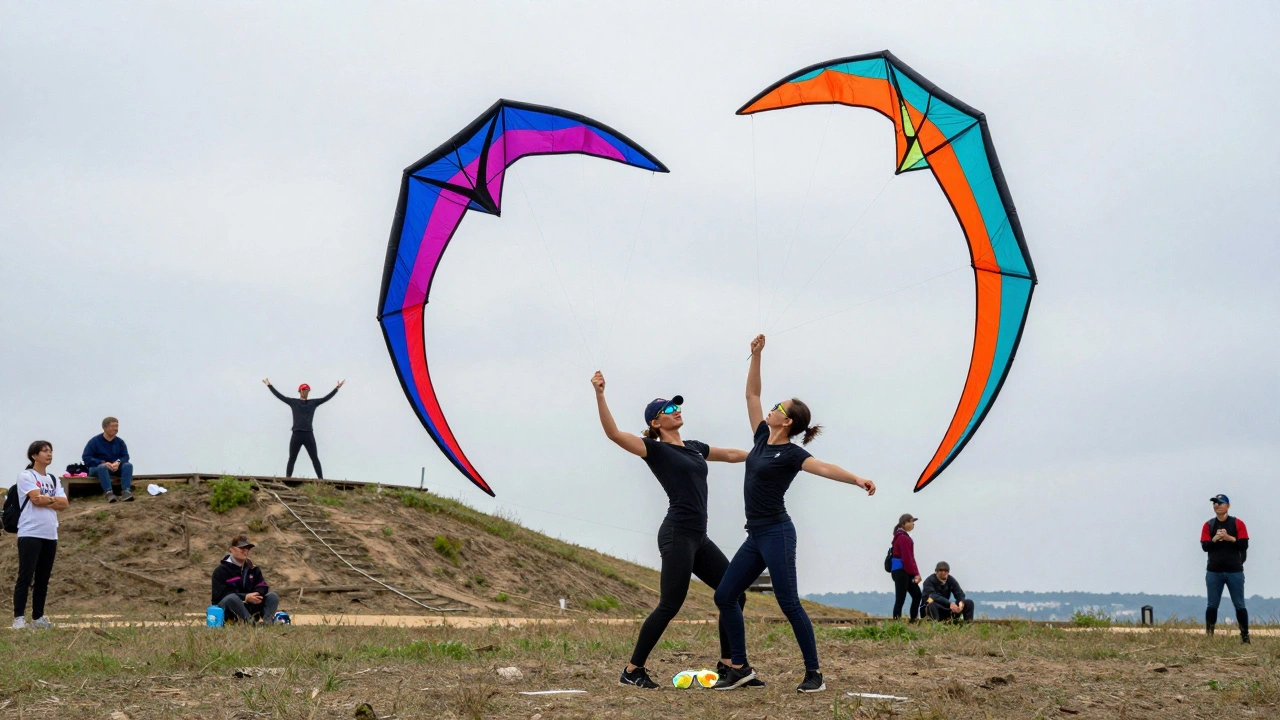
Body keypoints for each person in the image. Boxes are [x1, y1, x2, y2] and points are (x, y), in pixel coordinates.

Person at [714, 334, 876, 694]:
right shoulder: (760, 438)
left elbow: (825, 468)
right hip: (755, 535)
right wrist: (756, 356)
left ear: (786, 422)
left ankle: (814, 674)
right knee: (725, 595)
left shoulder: (790, 454)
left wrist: (857, 479)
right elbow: (751, 395)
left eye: (778, 408)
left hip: (777, 533)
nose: (770, 409)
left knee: (788, 602)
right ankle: (739, 668)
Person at [591, 371, 755, 689]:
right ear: (655, 423)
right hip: (677, 534)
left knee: (734, 594)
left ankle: (728, 666)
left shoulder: (694, 447)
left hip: (699, 537)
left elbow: (732, 455)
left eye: (676, 407)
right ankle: (632, 670)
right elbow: (613, 433)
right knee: (670, 605)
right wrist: (600, 394)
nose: (676, 410)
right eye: (667, 410)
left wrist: (765, 456)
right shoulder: (655, 450)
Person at [13, 441, 69, 629]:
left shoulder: (53, 479)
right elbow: (36, 500)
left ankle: (38, 617)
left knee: (43, 577)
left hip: (50, 533)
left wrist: (48, 499)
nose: (49, 454)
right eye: (44, 451)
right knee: (26, 576)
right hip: (30, 532)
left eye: (51, 450)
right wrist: (52, 500)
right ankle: (19, 619)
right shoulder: (26, 475)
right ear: (34, 455)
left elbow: (64, 503)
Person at [263, 378, 344, 479]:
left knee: (314, 458)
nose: (305, 392)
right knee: (292, 458)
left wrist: (337, 388)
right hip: (296, 434)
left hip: (308, 434)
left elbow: (326, 398)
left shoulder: (313, 403)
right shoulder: (293, 402)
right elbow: (280, 396)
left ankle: (321, 480)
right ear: (299, 391)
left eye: (307, 390)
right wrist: (269, 385)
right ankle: (288, 478)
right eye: (303, 390)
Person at [1202, 493, 1249, 643]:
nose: (1217, 506)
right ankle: (1209, 635)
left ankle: (1245, 636)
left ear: (1228, 506)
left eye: (1221, 503)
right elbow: (1205, 546)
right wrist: (1214, 539)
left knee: (1239, 604)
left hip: (1234, 570)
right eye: (1215, 504)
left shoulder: (1238, 523)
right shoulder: (1208, 525)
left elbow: (1244, 545)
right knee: (1212, 605)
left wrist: (1230, 538)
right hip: (1214, 571)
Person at [211, 535, 281, 624]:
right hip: (229, 611)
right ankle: (250, 622)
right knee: (231, 598)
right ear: (231, 549)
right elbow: (219, 596)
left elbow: (263, 586)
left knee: (272, 596)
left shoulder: (253, 569)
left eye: (248, 548)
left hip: (251, 606)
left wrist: (256, 595)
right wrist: (245, 597)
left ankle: (268, 622)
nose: (245, 551)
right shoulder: (220, 571)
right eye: (242, 548)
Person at [83, 416, 133, 502]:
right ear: (105, 427)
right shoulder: (94, 441)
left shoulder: (120, 442)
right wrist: (102, 463)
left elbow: (125, 456)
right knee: (102, 467)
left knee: (128, 465)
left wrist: (117, 462)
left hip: (115, 468)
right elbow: (86, 457)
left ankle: (126, 491)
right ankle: (109, 493)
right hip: (97, 468)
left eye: (117, 426)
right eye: (113, 426)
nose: (115, 429)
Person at [890, 514, 922, 622]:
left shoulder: (899, 536)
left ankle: (913, 620)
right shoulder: (903, 538)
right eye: (911, 521)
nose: (913, 524)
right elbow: (908, 558)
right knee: (900, 598)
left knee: (917, 595)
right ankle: (897, 623)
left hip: (902, 571)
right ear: (905, 523)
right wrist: (915, 574)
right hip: (902, 571)